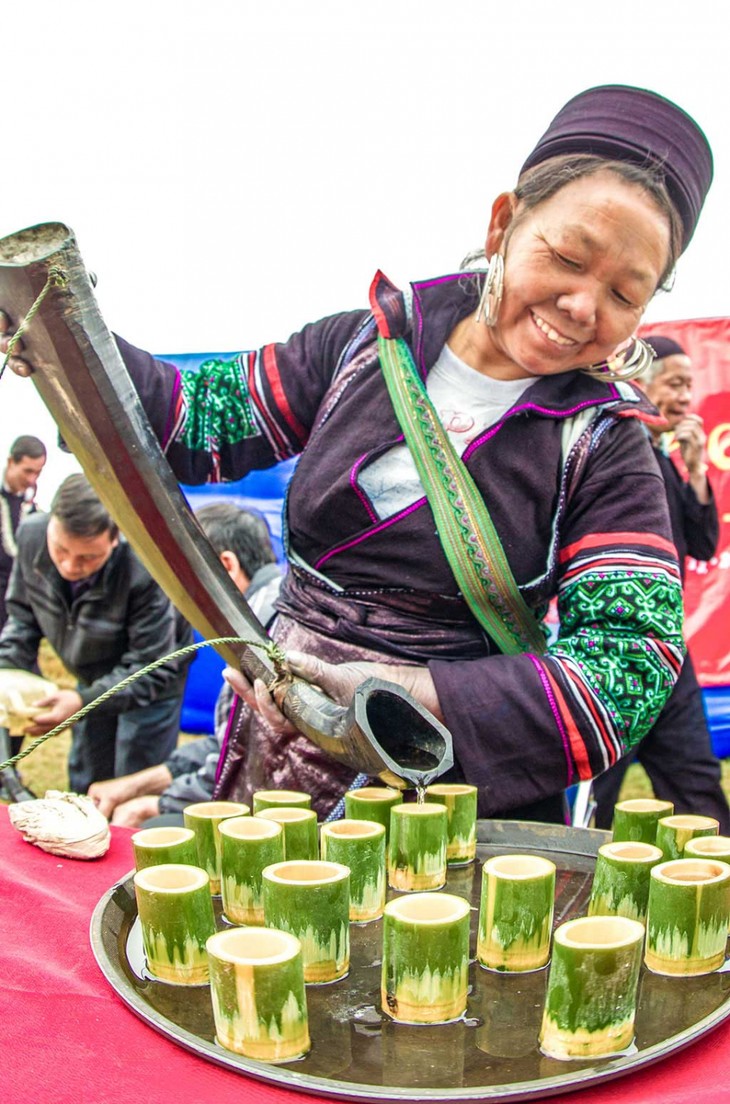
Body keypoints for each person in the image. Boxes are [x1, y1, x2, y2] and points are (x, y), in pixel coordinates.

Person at [0, 85, 713, 823]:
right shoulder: (361, 349)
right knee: (257, 926)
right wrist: (62, 338)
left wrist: (402, 695)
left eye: (626, 295)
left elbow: (630, 666)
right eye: (567, 256)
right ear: (503, 223)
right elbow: (193, 419)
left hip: (443, 788)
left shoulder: (603, 444)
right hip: (279, 752)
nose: (583, 306)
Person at [593, 336, 730, 831]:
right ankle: (573, 888)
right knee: (596, 793)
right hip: (608, 658)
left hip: (669, 654)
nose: (686, 398)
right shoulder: (610, 448)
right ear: (638, 385)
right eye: (676, 384)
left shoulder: (665, 458)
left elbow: (703, 544)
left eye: (691, 386)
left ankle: (713, 887)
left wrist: (696, 471)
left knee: (696, 779)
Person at [87, 502, 282, 826]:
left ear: (226, 565)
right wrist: (132, 786)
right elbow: (228, 742)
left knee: (152, 832)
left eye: (184, 582)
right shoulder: (264, 611)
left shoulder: (265, 636)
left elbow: (248, 765)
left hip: (275, 812)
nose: (180, 600)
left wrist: (156, 804)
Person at [0, 473, 193, 791]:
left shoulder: (147, 565)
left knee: (132, 779)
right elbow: (23, 621)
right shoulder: (31, 536)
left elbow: (150, 667)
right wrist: (6, 673)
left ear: (116, 537)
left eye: (88, 557)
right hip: (91, 672)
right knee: (87, 775)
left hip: (151, 682)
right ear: (51, 522)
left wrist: (80, 701)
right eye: (60, 549)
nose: (69, 566)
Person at [0, 434, 46, 630]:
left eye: (37, 472)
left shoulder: (34, 513)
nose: (31, 479)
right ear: (11, 462)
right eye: (27, 471)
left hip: (17, 608)